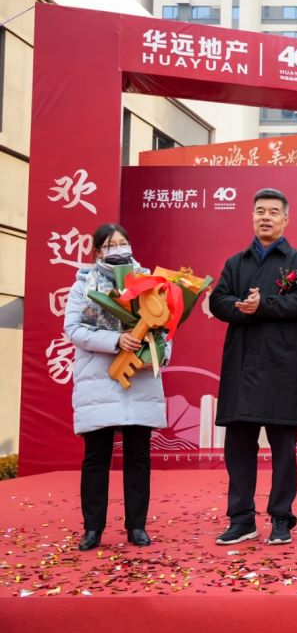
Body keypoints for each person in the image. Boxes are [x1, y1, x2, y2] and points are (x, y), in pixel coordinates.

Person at [210, 188, 297, 546]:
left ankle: (281, 518)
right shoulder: (235, 263)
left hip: (281, 367)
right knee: (239, 448)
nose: (266, 217)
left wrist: (264, 305)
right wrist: (242, 306)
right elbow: (218, 300)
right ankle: (241, 519)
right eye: (260, 211)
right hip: (242, 366)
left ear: (286, 219)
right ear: (252, 217)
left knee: (283, 450)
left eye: (273, 212)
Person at [65, 223, 169, 551]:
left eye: (123, 243)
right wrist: (115, 340)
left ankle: (136, 526)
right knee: (97, 457)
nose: (118, 249)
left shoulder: (149, 283)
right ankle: (92, 529)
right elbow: (73, 329)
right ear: (98, 251)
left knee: (138, 456)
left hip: (140, 379)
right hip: (99, 379)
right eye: (111, 245)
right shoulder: (83, 285)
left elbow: (165, 327)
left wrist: (159, 353)